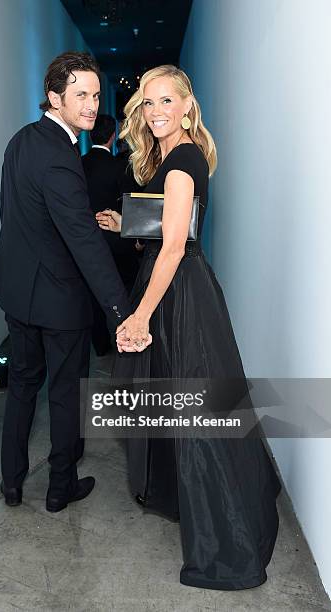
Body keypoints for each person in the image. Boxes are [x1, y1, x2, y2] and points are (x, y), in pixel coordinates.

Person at [96, 65, 281, 590]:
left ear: (185, 106)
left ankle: (226, 541)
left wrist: (139, 315)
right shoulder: (179, 156)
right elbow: (168, 228)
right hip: (176, 287)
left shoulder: (182, 160)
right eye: (147, 104)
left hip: (176, 294)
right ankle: (195, 495)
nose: (155, 113)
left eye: (164, 102)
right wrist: (126, 223)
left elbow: (175, 247)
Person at [0, 52, 150, 514]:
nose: (92, 105)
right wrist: (122, 311)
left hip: (18, 290)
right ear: (54, 97)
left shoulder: (20, 141)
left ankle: (11, 483)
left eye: (96, 95)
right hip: (59, 299)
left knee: (21, 385)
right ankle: (60, 487)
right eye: (81, 95)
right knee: (63, 392)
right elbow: (84, 242)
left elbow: (11, 215)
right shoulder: (61, 158)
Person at [82, 114, 140, 355]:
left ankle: (101, 345)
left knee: (94, 294)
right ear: (113, 136)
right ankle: (125, 341)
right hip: (118, 240)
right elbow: (132, 205)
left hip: (87, 240)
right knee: (124, 291)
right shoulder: (120, 167)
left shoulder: (79, 163)